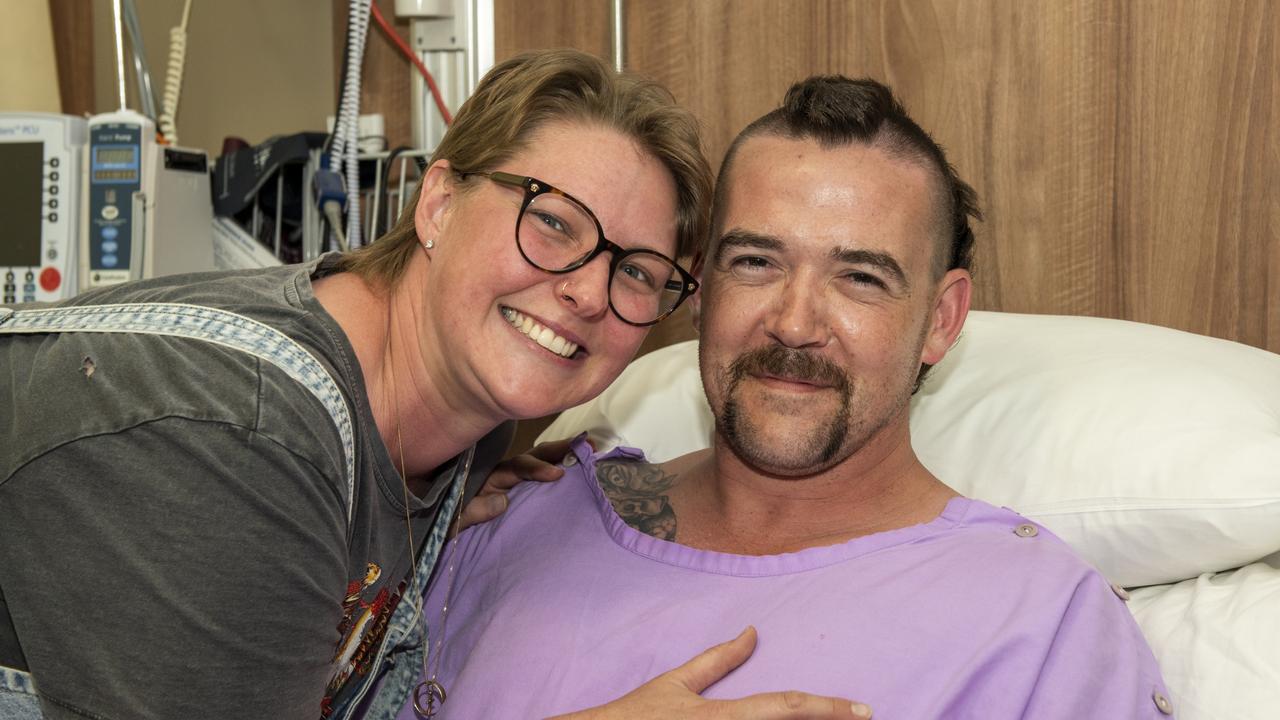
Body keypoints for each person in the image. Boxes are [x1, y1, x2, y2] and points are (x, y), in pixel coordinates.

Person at [1, 50, 862, 720]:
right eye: (552, 221)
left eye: (637, 272)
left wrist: (428, 503)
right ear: (440, 202)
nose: (589, 293)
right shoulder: (228, 436)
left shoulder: (468, 420)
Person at [394, 76, 1177, 719]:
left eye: (860, 278)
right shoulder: (508, 521)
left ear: (940, 320)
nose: (795, 323)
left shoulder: (1039, 625)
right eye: (756, 263)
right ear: (700, 291)